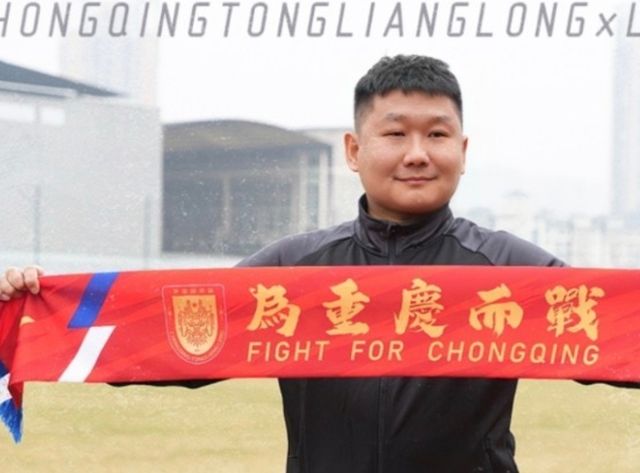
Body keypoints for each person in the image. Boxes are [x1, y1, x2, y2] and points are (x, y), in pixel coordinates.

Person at [1, 55, 637, 472]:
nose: (418, 153)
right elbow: (172, 341)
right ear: (354, 150)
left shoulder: (510, 272)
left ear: (463, 151)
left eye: (438, 135)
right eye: (396, 133)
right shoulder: (294, 269)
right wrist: (35, 305)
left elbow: (617, 334)